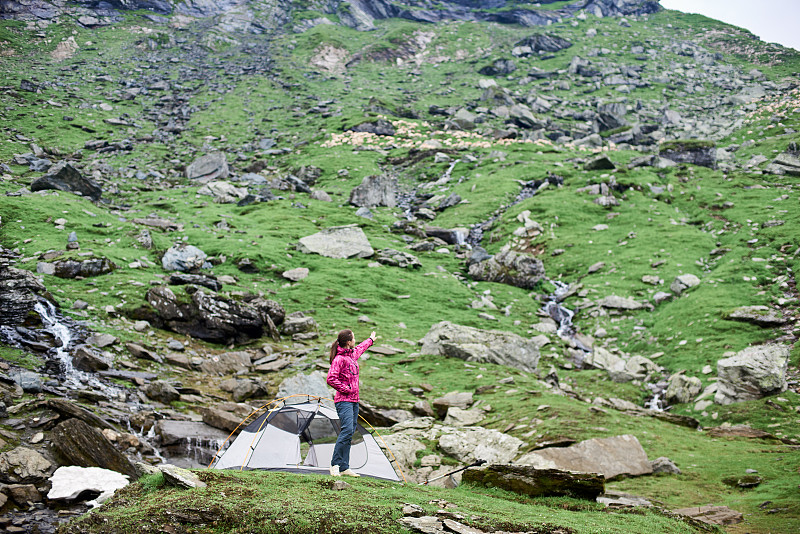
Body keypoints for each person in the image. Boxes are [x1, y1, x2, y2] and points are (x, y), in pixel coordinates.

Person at [326, 328, 376, 477]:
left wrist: (371, 340)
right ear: (348, 342)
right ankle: (334, 465)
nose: (355, 340)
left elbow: (361, 347)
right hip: (344, 401)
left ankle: (344, 467)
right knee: (347, 430)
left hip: (354, 401)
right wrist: (347, 389)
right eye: (354, 338)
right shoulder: (339, 359)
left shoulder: (352, 355)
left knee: (349, 432)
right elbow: (331, 378)